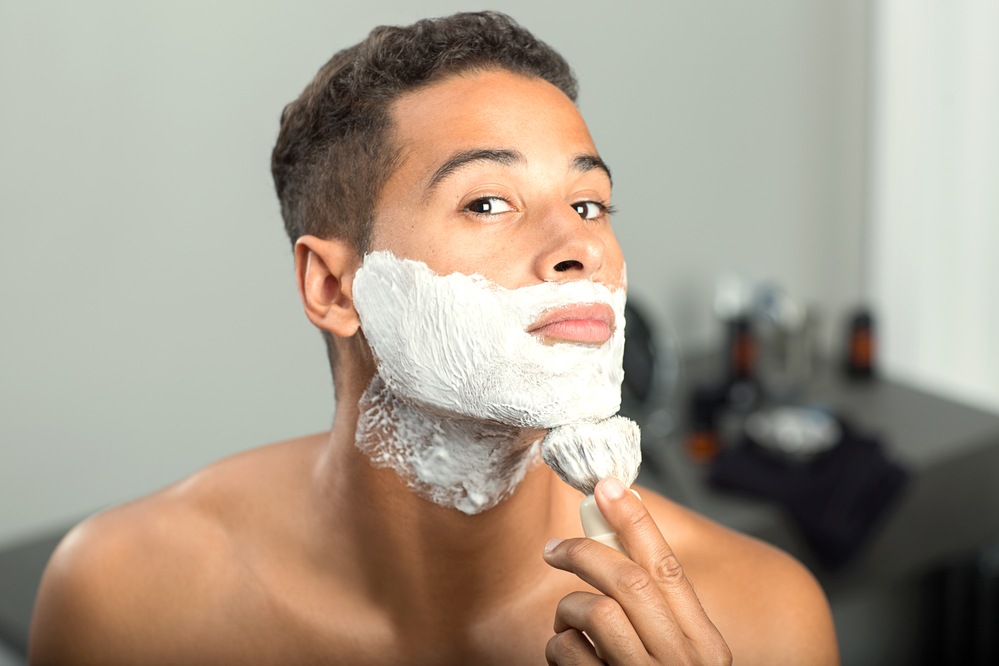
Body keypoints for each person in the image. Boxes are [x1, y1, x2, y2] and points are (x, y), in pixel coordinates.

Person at [29, 12, 838, 665]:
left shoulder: (759, 620)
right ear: (334, 288)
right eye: (487, 202)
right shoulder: (128, 598)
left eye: (590, 204)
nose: (582, 246)